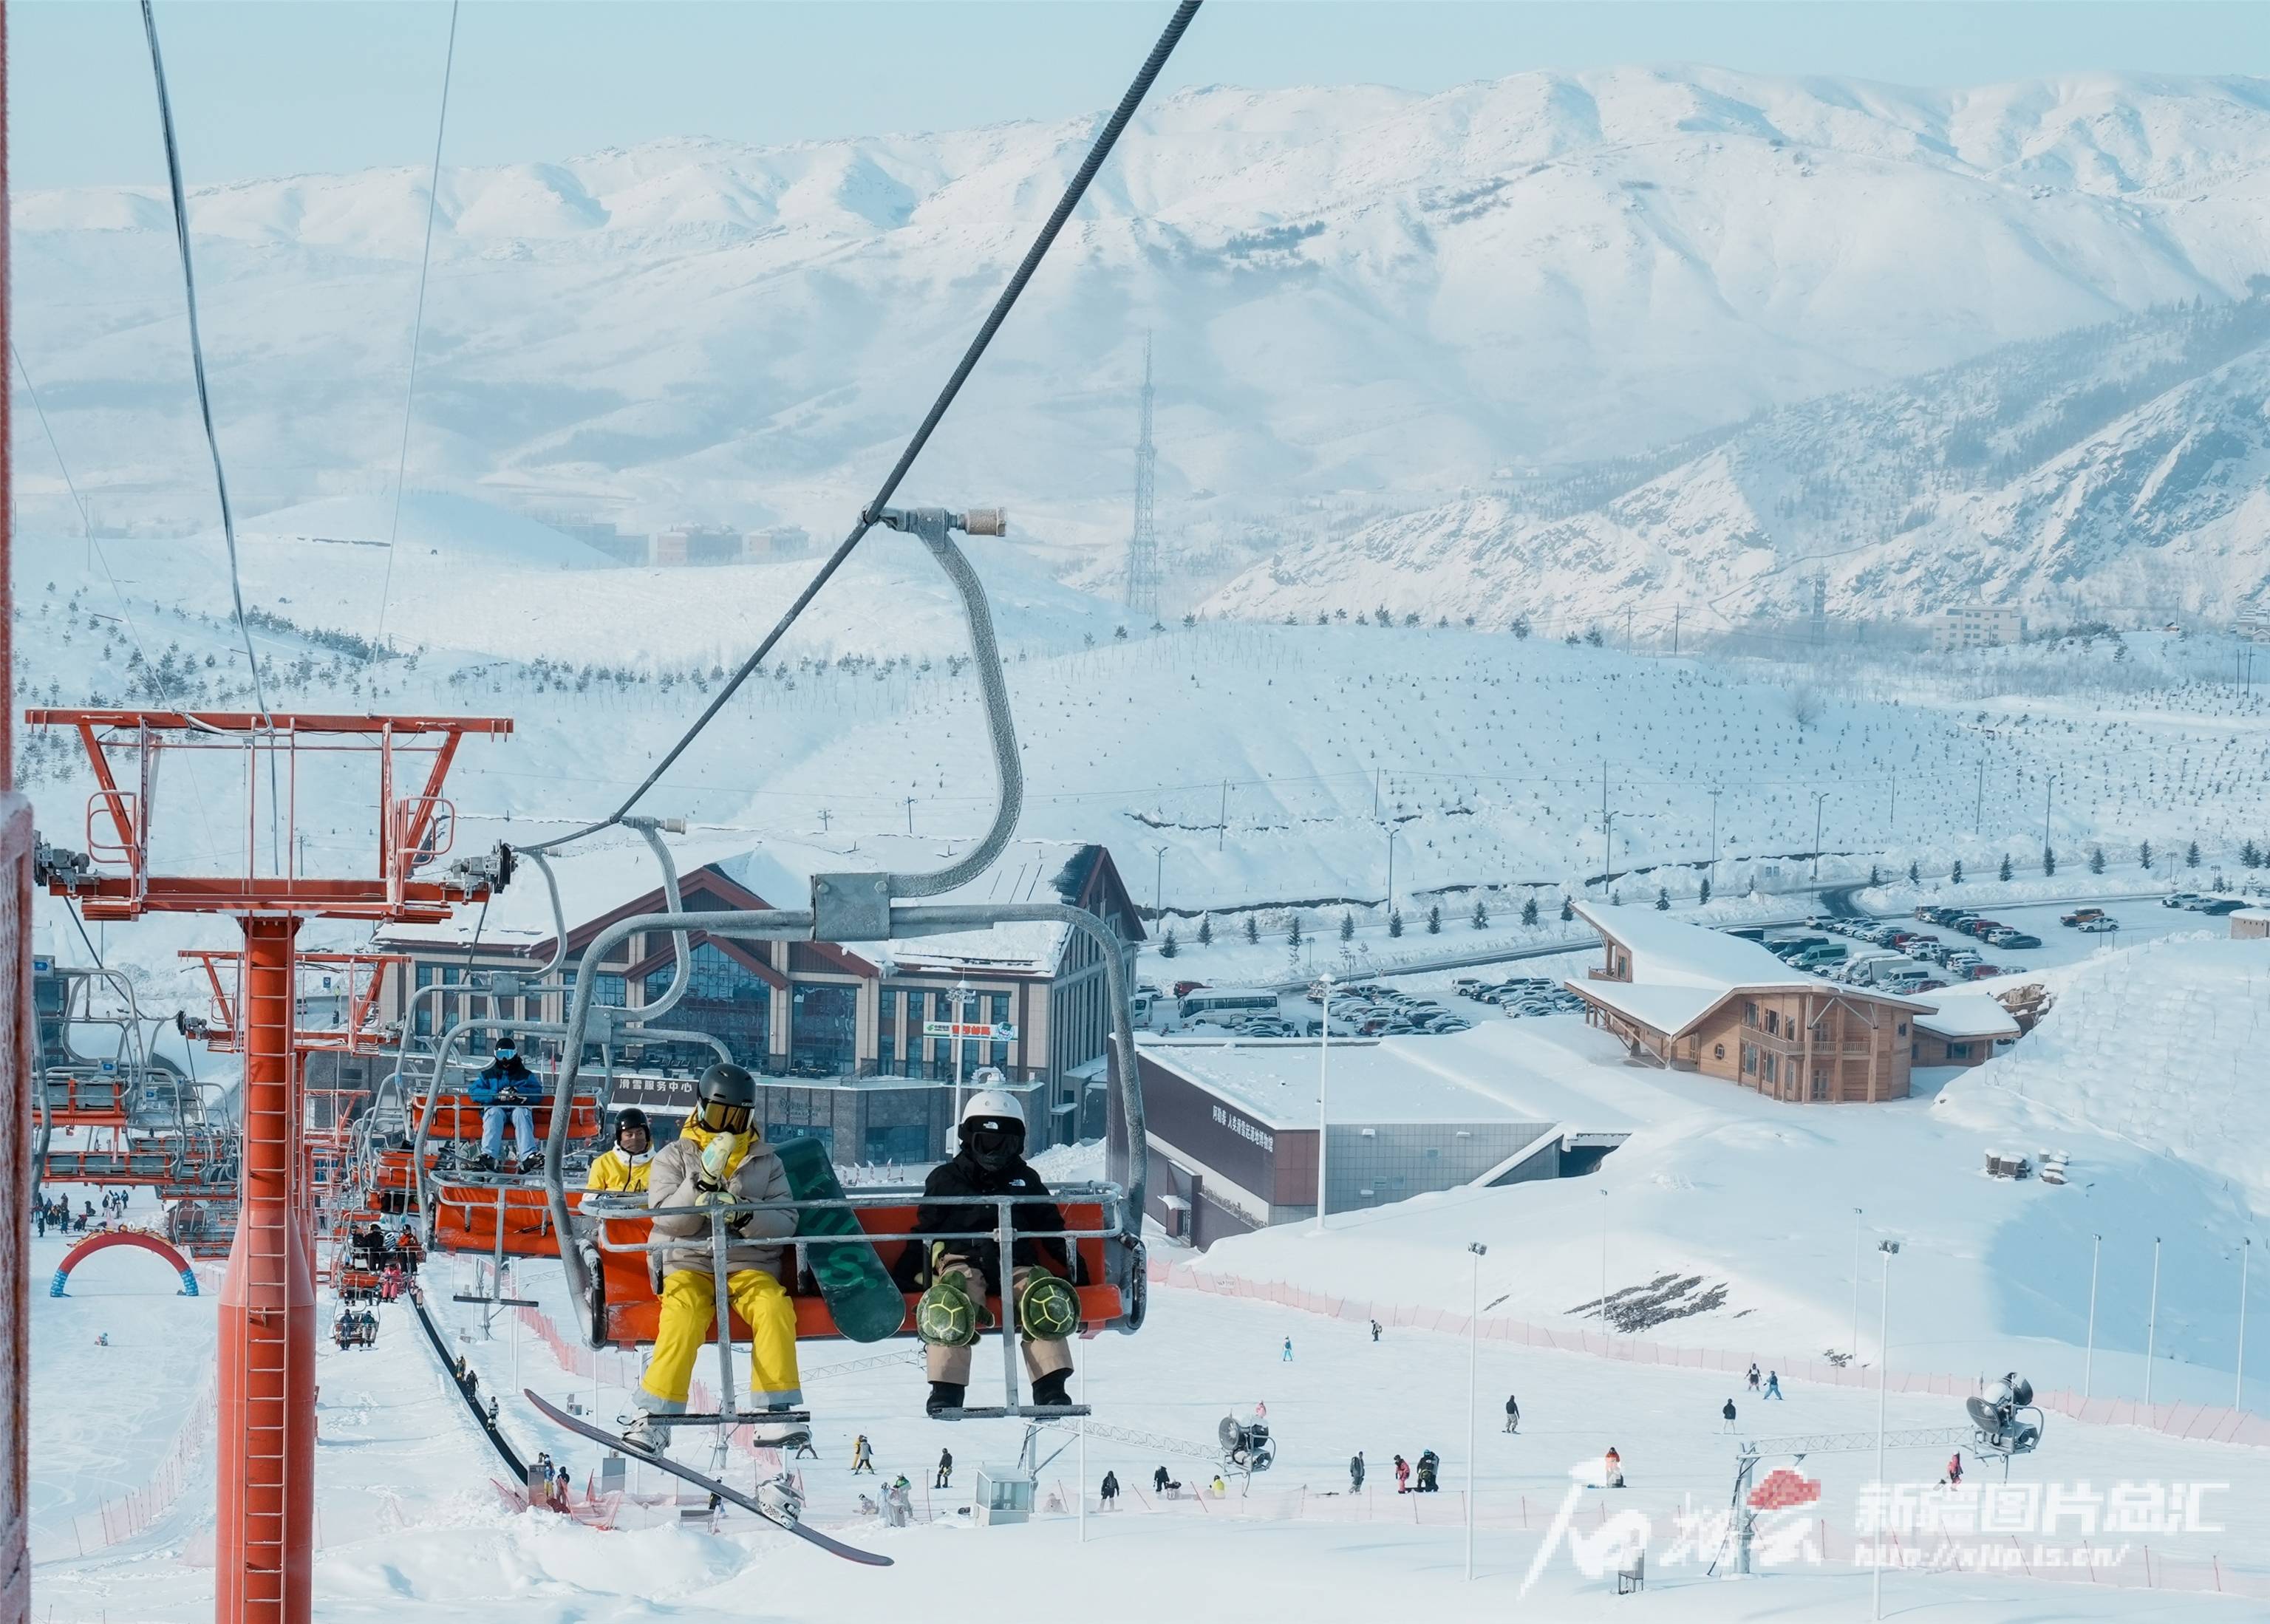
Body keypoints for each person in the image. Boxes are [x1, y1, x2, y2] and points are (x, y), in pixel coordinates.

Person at [625, 1064, 805, 1450]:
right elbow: (666, 1217)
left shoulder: (766, 1161)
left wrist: (743, 1211)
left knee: (773, 1306)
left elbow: (787, 1220)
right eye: (719, 1115)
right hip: (688, 1259)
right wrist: (700, 1184)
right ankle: (656, 1415)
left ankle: (775, 1410)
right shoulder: (675, 1156)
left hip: (747, 1262)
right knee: (685, 1312)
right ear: (701, 1109)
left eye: (737, 1117)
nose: (727, 1125)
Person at [897, 1090, 1077, 1415]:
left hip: (1016, 1261)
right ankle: (946, 1390)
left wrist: (1074, 1271)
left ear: (1017, 1144)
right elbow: (924, 1231)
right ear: (969, 1140)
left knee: (1041, 1296)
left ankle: (1050, 1387)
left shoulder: (1025, 1179)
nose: (995, 1153)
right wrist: (904, 1276)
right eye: (986, 1143)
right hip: (962, 1261)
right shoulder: (947, 1179)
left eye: (1003, 1144)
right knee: (951, 1301)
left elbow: (1051, 1227)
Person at [470, 1036, 540, 1173]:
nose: (505, 1060)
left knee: (522, 1113)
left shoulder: (525, 1075)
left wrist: (520, 1093)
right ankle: (489, 1155)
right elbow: (474, 1092)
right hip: (497, 1108)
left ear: (515, 1054)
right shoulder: (488, 1075)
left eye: (508, 1055)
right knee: (493, 1113)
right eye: (501, 1055)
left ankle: (528, 1156)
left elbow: (537, 1093)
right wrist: (495, 1095)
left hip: (517, 1108)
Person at [585, 1107, 655, 1193]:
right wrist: (610, 1197)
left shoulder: (659, 1163)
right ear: (620, 1137)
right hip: (610, 1206)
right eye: (629, 1135)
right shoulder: (603, 1163)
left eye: (639, 1133)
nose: (635, 1138)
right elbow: (590, 1196)